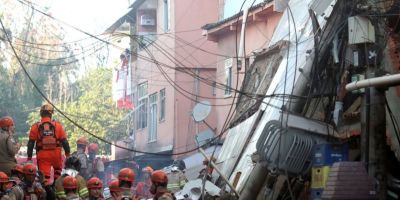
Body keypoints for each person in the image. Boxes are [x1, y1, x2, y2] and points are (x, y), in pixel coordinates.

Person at [27, 104, 71, 184]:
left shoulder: (35, 127)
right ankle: (56, 190)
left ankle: (47, 193)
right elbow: (64, 141)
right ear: (51, 114)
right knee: (57, 175)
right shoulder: (58, 126)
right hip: (56, 155)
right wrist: (67, 154)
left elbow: (30, 143)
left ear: (41, 114)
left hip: (43, 156)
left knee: (44, 179)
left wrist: (29, 157)